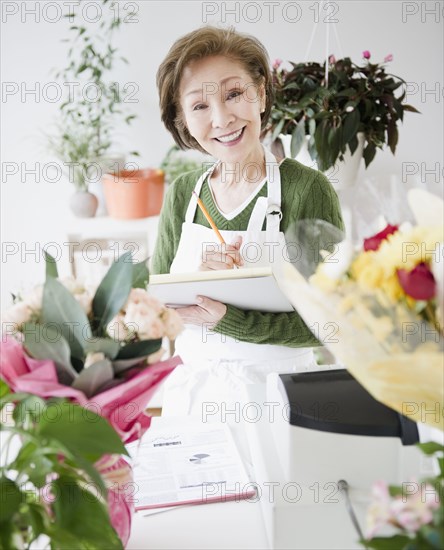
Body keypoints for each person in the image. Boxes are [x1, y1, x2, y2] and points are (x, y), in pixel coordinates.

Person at [152, 26, 344, 416]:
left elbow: (333, 323)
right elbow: (159, 311)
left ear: (261, 93)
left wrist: (229, 317)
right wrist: (198, 287)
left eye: (234, 94)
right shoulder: (183, 194)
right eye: (200, 106)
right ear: (182, 120)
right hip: (194, 400)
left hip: (284, 399)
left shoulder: (307, 190)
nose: (222, 118)